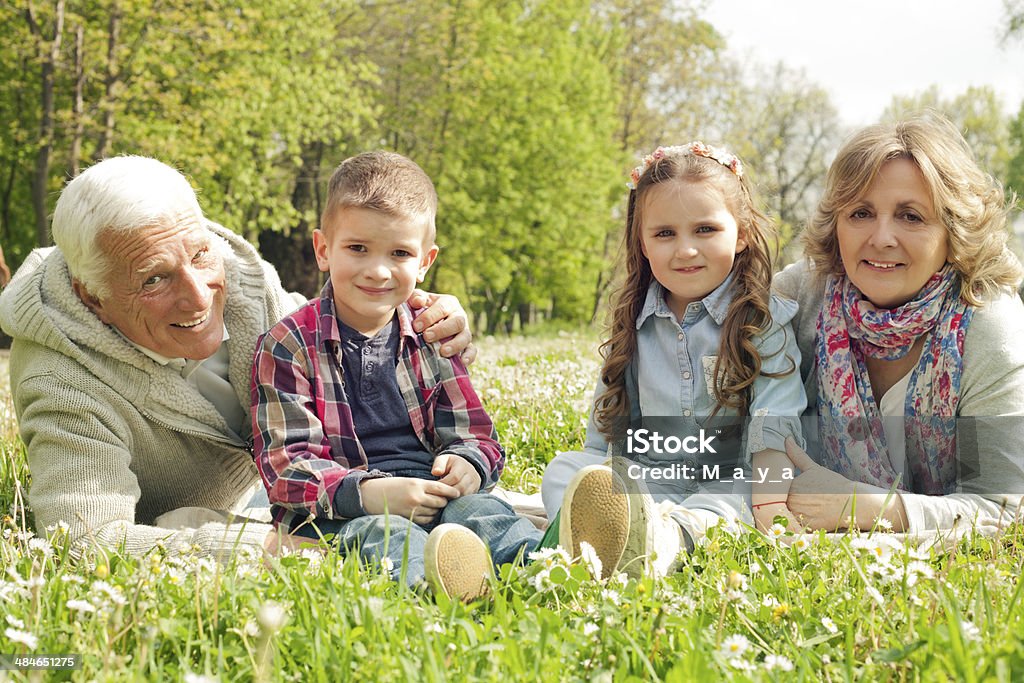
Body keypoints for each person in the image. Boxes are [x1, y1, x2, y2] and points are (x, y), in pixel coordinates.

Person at [0, 155, 474, 562]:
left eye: (201, 255)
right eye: (154, 280)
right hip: (232, 523)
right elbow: (88, 540)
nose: (198, 297)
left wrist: (424, 317)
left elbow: (337, 334)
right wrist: (278, 552)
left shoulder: (246, 282)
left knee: (479, 514)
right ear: (94, 298)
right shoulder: (61, 377)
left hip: (322, 494)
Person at [251, 151, 540, 599]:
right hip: (347, 512)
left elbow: (477, 435)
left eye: (400, 253)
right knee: (389, 540)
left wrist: (468, 465)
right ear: (323, 249)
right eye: (357, 248)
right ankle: (441, 590)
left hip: (434, 494)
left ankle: (551, 570)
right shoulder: (289, 344)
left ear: (425, 261)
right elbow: (287, 467)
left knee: (485, 514)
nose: (378, 270)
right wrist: (370, 495)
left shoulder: (432, 330)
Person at [540, 142, 806, 579]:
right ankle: (597, 533)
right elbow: (601, 436)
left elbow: (775, 422)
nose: (685, 250)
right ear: (642, 243)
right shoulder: (634, 322)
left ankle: (659, 544)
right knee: (565, 469)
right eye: (665, 234)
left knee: (730, 503)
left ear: (740, 233)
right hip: (650, 479)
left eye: (705, 230)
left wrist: (773, 503)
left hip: (729, 480)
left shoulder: (763, 320)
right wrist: (595, 480)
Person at [774, 113, 1024, 535]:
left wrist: (871, 508)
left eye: (910, 216)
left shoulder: (988, 324)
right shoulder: (803, 294)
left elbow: (1004, 508)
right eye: (860, 213)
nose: (881, 237)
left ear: (953, 231)